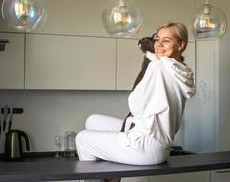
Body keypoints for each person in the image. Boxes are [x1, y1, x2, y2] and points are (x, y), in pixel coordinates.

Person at [75, 22, 196, 182]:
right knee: (93, 121)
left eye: (166, 40)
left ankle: (111, 178)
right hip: (161, 146)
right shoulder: (182, 70)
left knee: (83, 139)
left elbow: (135, 106)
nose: (158, 44)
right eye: (157, 38)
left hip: (145, 145)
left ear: (181, 44)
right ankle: (112, 176)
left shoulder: (158, 66)